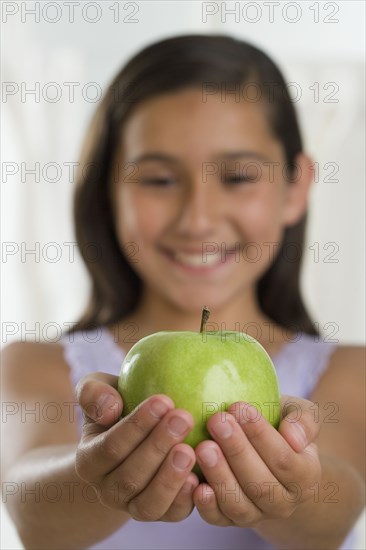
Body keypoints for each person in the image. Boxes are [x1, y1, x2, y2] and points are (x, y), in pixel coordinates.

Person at [2, 34, 365, 550]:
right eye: (157, 179)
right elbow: (30, 508)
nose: (197, 219)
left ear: (295, 187)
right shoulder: (34, 365)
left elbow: (339, 506)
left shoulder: (350, 372)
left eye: (238, 176)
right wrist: (96, 476)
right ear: (108, 193)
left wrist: (295, 489)